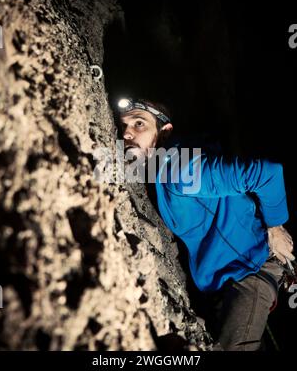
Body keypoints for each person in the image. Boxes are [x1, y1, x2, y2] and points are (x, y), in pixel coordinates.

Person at [115, 97, 295, 351]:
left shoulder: (177, 169)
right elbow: (107, 164)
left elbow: (267, 173)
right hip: (226, 281)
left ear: (165, 133)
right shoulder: (155, 167)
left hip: (250, 272)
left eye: (139, 124)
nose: (127, 133)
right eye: (124, 125)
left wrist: (276, 227)